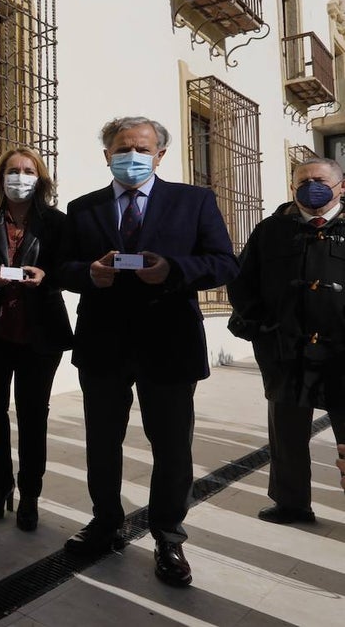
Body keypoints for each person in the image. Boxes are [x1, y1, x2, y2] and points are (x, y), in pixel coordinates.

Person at [57, 116, 237, 587]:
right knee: (102, 441)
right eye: (122, 148)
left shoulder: (193, 201)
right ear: (106, 155)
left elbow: (223, 262)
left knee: (172, 446)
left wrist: (173, 269)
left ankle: (169, 536)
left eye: (142, 148)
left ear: (160, 155)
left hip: (170, 342)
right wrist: (87, 274)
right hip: (103, 343)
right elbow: (61, 267)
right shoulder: (83, 208)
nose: (132, 156)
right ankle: (105, 522)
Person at [227, 158, 345, 524]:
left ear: (341, 186)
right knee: (287, 434)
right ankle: (291, 503)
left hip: (343, 354)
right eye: (303, 181)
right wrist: (260, 330)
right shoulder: (271, 230)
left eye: (321, 180)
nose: (312, 186)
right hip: (286, 351)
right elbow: (241, 283)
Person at [0, 147, 72, 532]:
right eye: (12, 170)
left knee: (33, 416)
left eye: (28, 170)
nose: (20, 176)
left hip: (39, 333)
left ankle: (30, 494)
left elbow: (68, 268)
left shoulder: (57, 224)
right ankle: (0, 488)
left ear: (40, 178)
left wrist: (47, 276)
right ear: (0, 178)